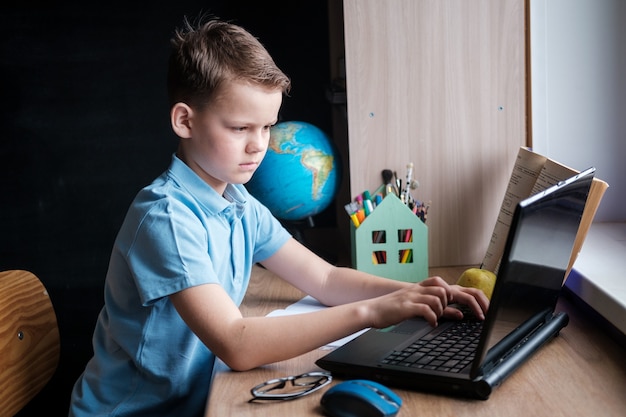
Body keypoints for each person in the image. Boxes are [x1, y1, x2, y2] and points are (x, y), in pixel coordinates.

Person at [68, 16, 489, 417]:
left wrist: (416, 293)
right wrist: (375, 312)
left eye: (267, 127)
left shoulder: (238, 203)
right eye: (240, 128)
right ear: (185, 121)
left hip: (198, 402)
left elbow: (325, 279)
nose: (259, 146)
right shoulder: (167, 218)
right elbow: (237, 344)